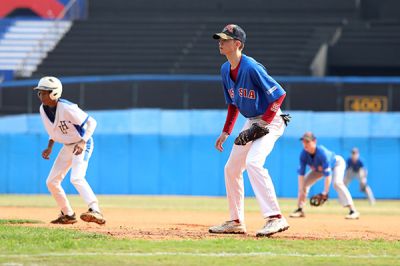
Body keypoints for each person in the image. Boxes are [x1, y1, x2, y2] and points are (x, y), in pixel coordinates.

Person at [208, 24, 289, 237]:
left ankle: (275, 218)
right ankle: (236, 221)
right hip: (252, 120)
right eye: (220, 39)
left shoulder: (251, 67)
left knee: (253, 162)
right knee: (232, 168)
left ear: (238, 44)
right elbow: (233, 103)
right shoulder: (225, 69)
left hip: (271, 119)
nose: (221, 42)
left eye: (225, 39)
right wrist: (226, 131)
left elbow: (279, 95)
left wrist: (264, 123)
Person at [34, 76, 105, 225]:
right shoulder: (43, 109)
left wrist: (82, 141)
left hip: (82, 144)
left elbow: (92, 122)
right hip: (67, 146)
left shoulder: (67, 107)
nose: (41, 95)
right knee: (51, 182)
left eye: (45, 92)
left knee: (76, 178)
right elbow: (53, 130)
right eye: (40, 92)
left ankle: (95, 209)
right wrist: (50, 146)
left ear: (54, 93)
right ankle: (68, 214)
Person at [290, 132, 360, 219]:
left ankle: (353, 210)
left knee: (337, 183)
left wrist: (325, 192)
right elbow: (301, 174)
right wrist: (301, 189)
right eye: (303, 142)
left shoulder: (322, 153)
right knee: (303, 185)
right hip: (318, 169)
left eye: (307, 141)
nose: (305, 144)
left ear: (314, 141)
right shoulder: (303, 154)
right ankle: (300, 209)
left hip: (336, 163)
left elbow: (328, 175)